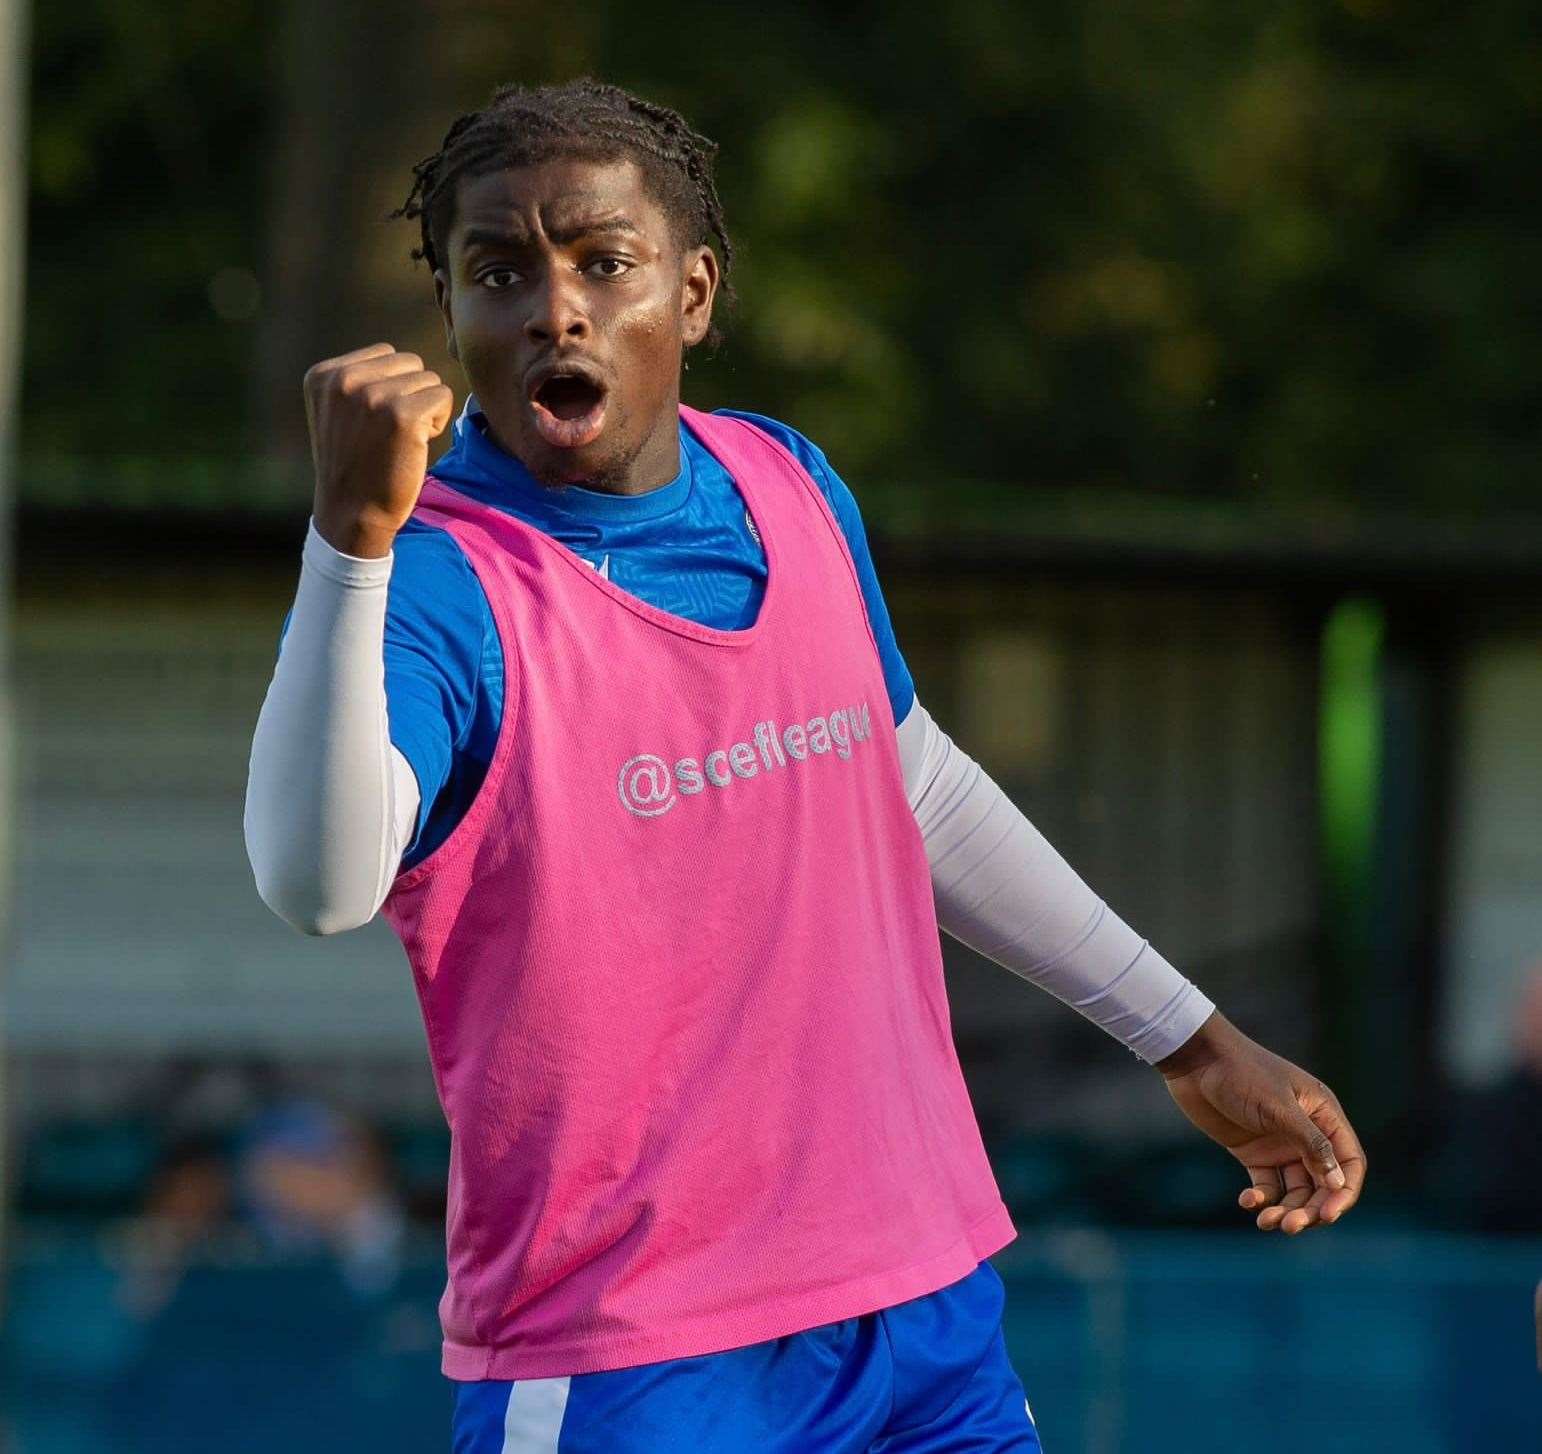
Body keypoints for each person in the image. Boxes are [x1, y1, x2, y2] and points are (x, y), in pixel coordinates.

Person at [244, 79, 1365, 1452]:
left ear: (696, 292)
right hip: (631, 1362)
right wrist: (347, 545)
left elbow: (912, 786)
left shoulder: (787, 481)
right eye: (498, 271)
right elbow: (315, 882)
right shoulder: (438, 584)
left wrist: (1186, 1036)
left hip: (919, 1309)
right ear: (458, 316)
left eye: (604, 260)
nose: (555, 306)